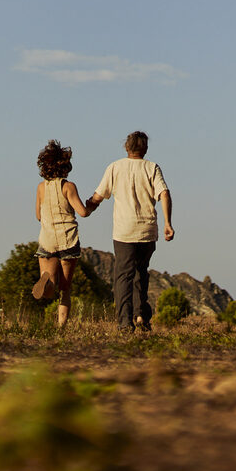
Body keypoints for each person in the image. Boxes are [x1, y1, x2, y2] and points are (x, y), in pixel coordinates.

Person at [84, 130, 173, 331]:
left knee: (123, 275)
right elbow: (164, 193)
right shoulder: (152, 167)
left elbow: (98, 196)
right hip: (147, 229)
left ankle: (125, 322)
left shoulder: (115, 167)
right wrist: (168, 223)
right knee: (141, 272)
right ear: (146, 149)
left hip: (124, 231)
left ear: (127, 147)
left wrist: (86, 208)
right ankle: (141, 316)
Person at [32, 139, 93, 330]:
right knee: (65, 289)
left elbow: (38, 216)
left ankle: (47, 281)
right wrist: (90, 205)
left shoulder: (41, 187)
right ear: (65, 165)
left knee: (49, 286)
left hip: (47, 239)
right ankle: (61, 328)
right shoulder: (68, 186)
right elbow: (82, 212)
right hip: (68, 240)